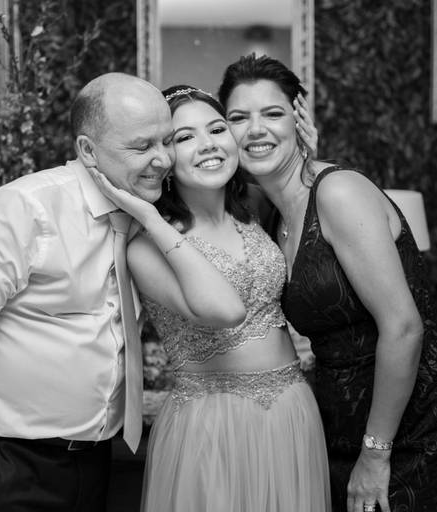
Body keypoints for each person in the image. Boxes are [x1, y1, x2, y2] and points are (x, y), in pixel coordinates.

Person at [0, 72, 247, 512]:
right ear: (88, 150)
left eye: (166, 141)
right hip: (13, 462)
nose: (162, 159)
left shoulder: (146, 212)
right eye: (141, 147)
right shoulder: (25, 208)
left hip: (96, 458)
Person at [218, 54, 437, 512]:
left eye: (272, 114)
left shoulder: (339, 192)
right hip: (336, 428)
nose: (255, 130)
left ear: (299, 119)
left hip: (402, 434)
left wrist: (376, 453)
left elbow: (404, 328)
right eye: (237, 118)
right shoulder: (273, 213)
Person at [91, 84, 331, 512]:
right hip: (211, 424)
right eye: (185, 137)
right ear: (164, 157)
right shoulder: (144, 247)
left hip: (291, 411)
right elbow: (226, 310)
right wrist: (149, 216)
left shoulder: (257, 210)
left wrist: (302, 161)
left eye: (217, 129)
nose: (208, 145)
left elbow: (311, 248)